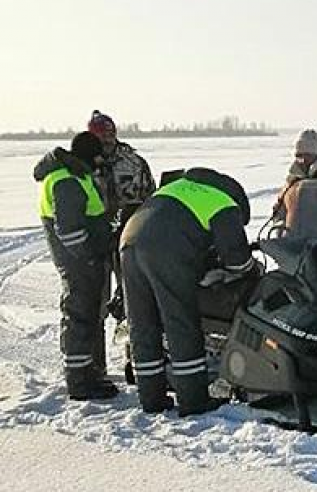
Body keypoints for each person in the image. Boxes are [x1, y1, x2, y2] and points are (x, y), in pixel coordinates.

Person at [120, 167, 255, 415]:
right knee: (180, 321)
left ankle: (151, 399)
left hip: (129, 242)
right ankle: (193, 400)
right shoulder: (224, 203)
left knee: (143, 323)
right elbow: (237, 261)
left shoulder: (180, 187)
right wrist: (250, 268)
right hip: (166, 250)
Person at [33, 132, 118, 400]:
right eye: (97, 158)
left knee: (88, 316)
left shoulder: (76, 175)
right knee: (79, 316)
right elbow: (69, 231)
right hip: (79, 263)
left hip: (84, 261)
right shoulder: (66, 180)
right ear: (88, 156)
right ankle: (79, 382)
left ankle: (88, 373)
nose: (100, 163)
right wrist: (89, 255)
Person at [87, 110, 156, 379]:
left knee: (134, 302)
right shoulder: (80, 164)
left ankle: (136, 359)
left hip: (129, 239)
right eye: (100, 135)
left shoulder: (133, 162)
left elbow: (150, 198)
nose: (106, 140)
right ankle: (95, 367)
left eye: (109, 134)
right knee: (94, 305)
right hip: (93, 243)